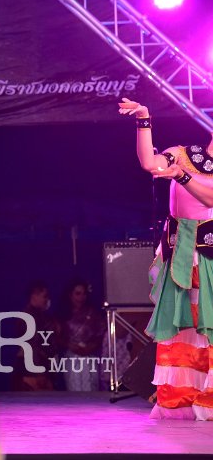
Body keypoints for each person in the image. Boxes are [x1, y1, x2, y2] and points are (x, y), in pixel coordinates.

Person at [119, 97, 213, 419]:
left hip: (210, 256)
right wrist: (144, 119)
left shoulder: (183, 167)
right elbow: (149, 163)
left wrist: (181, 176)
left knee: (209, 327)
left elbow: (210, 198)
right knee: (182, 327)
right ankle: (182, 397)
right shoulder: (184, 153)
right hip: (181, 255)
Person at [10, 282, 61, 391]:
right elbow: (32, 345)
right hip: (31, 369)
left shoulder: (42, 316)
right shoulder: (28, 317)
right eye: (44, 296)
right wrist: (38, 371)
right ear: (34, 296)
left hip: (40, 365)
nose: (47, 300)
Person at [57, 280, 105, 391]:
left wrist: (91, 346)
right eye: (77, 294)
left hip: (89, 356)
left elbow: (101, 335)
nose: (81, 297)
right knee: (74, 389)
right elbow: (57, 337)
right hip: (71, 356)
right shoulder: (63, 314)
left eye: (84, 294)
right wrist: (69, 345)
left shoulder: (93, 313)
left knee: (91, 388)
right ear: (70, 295)